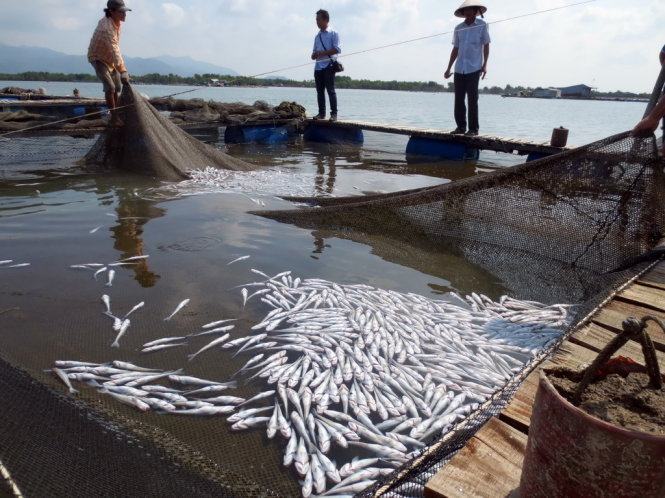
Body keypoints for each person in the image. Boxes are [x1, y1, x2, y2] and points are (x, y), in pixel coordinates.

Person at [444, 1, 491, 136]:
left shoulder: (482, 25)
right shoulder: (458, 27)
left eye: (470, 10)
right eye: (465, 10)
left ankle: (473, 129)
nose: (467, 12)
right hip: (459, 68)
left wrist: (485, 65)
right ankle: (460, 127)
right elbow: (455, 49)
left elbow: (486, 45)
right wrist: (448, 68)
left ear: (475, 11)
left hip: (474, 67)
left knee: (472, 99)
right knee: (458, 99)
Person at [88, 0, 131, 125]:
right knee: (110, 87)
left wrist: (122, 71)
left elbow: (114, 50)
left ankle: (116, 112)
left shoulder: (116, 22)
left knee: (117, 87)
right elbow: (115, 49)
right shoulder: (106, 27)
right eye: (121, 12)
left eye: (125, 11)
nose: (124, 14)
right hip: (97, 57)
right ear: (111, 12)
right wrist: (123, 70)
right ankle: (114, 116)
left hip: (110, 59)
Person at [311, 9, 341, 122]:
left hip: (329, 66)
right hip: (318, 67)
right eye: (316, 20)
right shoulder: (317, 36)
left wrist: (321, 53)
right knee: (320, 92)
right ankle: (321, 113)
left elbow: (337, 49)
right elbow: (313, 54)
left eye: (318, 19)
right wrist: (314, 55)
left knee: (331, 91)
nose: (316, 22)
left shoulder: (334, 33)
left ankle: (334, 114)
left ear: (325, 20)